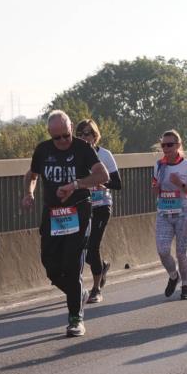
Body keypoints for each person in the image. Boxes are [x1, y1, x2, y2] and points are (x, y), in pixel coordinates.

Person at [23, 111, 109, 336]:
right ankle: (77, 292)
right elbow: (32, 175)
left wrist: (76, 185)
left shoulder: (83, 148)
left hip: (78, 212)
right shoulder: (43, 150)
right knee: (50, 265)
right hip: (52, 215)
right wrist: (28, 194)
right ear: (50, 135)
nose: (62, 141)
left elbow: (103, 176)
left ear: (71, 130)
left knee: (72, 265)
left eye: (66, 135)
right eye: (57, 137)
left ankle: (75, 318)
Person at [76, 119, 121, 304]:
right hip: (82, 205)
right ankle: (102, 266)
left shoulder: (105, 154)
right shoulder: (74, 156)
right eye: (79, 134)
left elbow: (118, 184)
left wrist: (103, 183)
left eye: (87, 134)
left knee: (93, 247)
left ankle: (96, 288)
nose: (83, 138)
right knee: (81, 249)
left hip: (101, 205)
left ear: (95, 136)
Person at [153, 130, 187, 299]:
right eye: (163, 145)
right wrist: (155, 188)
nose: (166, 148)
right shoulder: (159, 165)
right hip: (164, 213)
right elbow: (155, 188)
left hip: (183, 213)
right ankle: (174, 276)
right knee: (162, 250)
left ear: (178, 145)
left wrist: (179, 184)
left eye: (169, 145)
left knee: (181, 252)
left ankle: (186, 286)